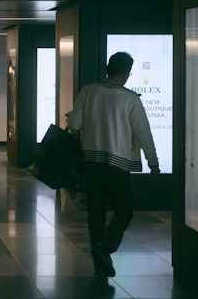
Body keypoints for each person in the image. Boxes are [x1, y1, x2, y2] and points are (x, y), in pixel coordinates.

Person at [67, 52, 160, 277]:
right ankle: (105, 247)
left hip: (90, 160)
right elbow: (144, 133)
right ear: (127, 73)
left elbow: (75, 126)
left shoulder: (87, 91)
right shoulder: (130, 99)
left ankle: (100, 261)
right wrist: (153, 163)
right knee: (125, 208)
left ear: (108, 68)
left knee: (96, 209)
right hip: (116, 162)